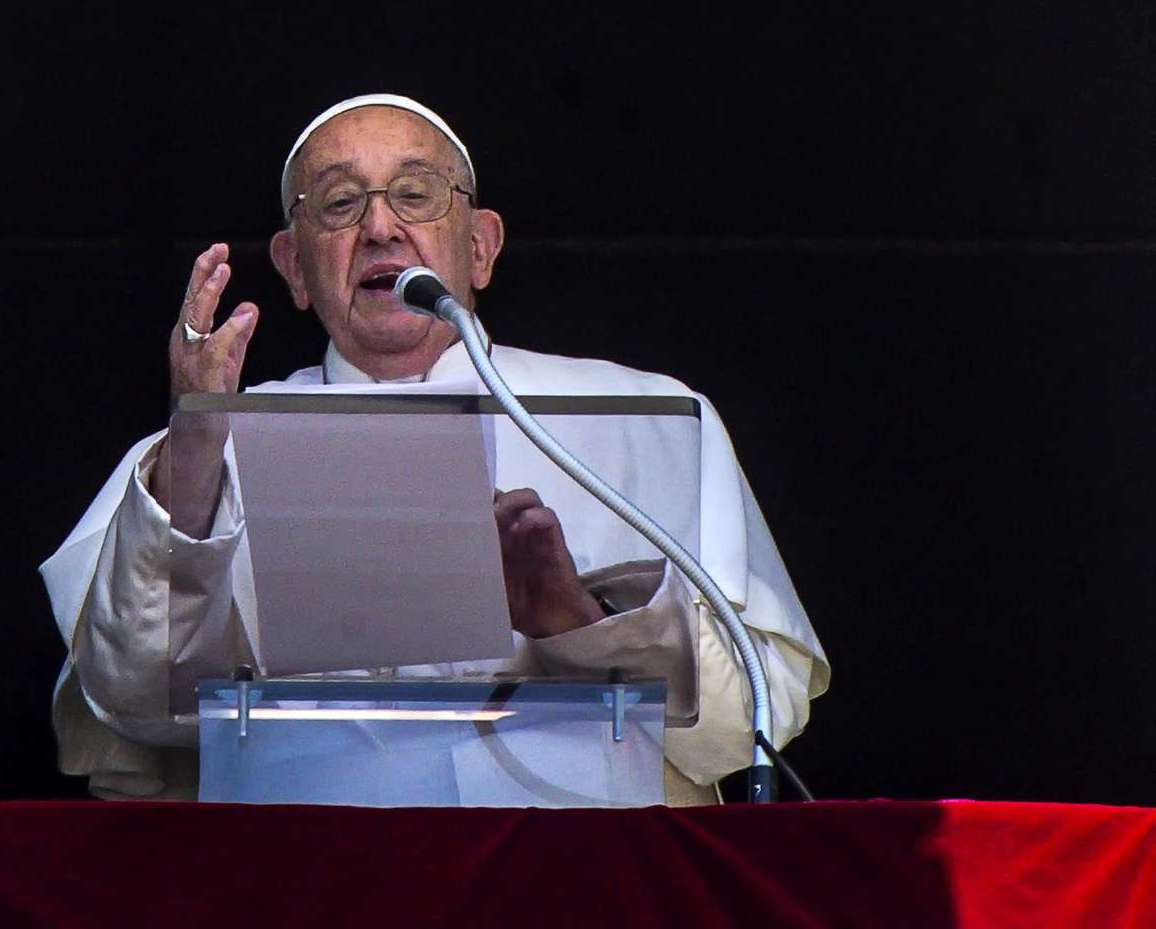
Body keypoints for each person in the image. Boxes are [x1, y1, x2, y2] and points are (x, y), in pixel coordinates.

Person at [41, 94, 829, 805]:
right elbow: (136, 704)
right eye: (341, 203)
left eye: (415, 194)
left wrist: (579, 623)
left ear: (480, 246)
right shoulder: (200, 451)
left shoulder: (651, 418)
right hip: (302, 884)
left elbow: (750, 726)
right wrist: (199, 442)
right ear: (294, 268)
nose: (380, 227)